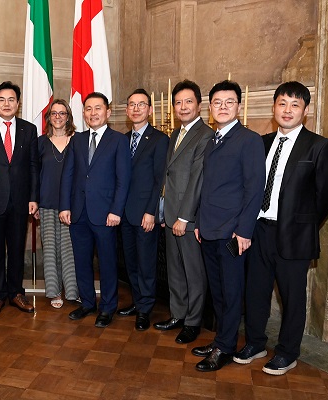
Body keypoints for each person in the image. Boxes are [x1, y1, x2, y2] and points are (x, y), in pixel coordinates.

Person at [233, 81, 328, 375]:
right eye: (282, 103)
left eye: (295, 105)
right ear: (274, 107)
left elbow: (325, 197)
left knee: (292, 298)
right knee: (255, 291)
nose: (287, 110)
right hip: (258, 231)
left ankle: (287, 352)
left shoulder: (319, 146)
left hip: (293, 235)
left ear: (305, 111)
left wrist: (300, 225)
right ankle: (255, 343)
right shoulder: (261, 143)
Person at [192, 80, 266, 372]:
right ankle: (222, 339)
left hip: (232, 232)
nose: (223, 107)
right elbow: (207, 187)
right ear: (210, 108)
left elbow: (254, 189)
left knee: (232, 292)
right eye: (217, 102)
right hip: (208, 229)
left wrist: (244, 231)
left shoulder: (249, 140)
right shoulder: (213, 140)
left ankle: (224, 347)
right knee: (218, 292)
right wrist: (199, 221)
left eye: (229, 102)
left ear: (239, 106)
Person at [60, 92, 131, 328]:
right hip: (78, 213)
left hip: (106, 214)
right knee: (81, 261)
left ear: (107, 112)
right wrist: (65, 206)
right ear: (83, 114)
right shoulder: (77, 140)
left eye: (98, 108)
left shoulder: (119, 140)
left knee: (108, 263)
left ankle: (108, 307)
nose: (93, 113)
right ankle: (88, 302)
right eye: (88, 109)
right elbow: (68, 175)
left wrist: (116, 210)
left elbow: (123, 180)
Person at [153, 80, 212, 344]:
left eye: (188, 101)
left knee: (193, 272)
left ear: (199, 105)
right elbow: (169, 176)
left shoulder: (205, 135)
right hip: (170, 214)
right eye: (178, 102)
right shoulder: (176, 133)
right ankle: (177, 314)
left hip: (187, 218)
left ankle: (193, 322)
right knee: (175, 269)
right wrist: (164, 211)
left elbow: (198, 179)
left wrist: (184, 218)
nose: (183, 106)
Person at [0, 81, 39, 316]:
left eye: (11, 99)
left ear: (18, 103)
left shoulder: (29, 129)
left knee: (17, 249)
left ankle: (16, 293)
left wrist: (33, 197)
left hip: (21, 201)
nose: (6, 104)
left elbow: (33, 166)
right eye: (1, 99)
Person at [117, 89, 168, 331]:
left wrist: (151, 212)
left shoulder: (159, 139)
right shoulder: (122, 139)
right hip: (125, 214)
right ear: (127, 110)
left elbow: (159, 180)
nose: (136, 109)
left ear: (149, 109)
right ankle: (137, 301)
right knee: (131, 262)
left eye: (141, 104)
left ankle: (145, 309)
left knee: (146, 263)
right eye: (132, 105)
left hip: (145, 214)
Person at [35, 99, 78, 309]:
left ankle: (72, 291)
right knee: (50, 249)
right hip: (46, 202)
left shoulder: (78, 141)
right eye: (54, 113)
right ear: (48, 117)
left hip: (71, 204)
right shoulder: (40, 143)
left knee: (69, 249)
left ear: (68, 117)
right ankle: (54, 292)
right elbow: (34, 174)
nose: (58, 117)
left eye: (62, 113)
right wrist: (34, 201)